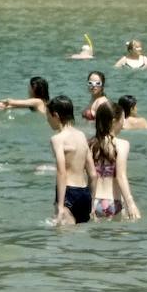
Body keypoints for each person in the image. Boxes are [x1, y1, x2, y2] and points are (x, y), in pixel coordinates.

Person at [47, 96, 94, 226]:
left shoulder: (57, 139)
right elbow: (93, 173)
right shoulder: (82, 136)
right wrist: (92, 200)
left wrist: (61, 206)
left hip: (68, 194)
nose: (47, 120)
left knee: (63, 241)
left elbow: (61, 172)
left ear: (55, 115)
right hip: (85, 194)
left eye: (48, 116)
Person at [90, 101, 139, 220]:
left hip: (92, 203)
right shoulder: (122, 144)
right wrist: (130, 203)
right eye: (122, 119)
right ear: (113, 121)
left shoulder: (89, 144)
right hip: (113, 203)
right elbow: (121, 176)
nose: (124, 122)